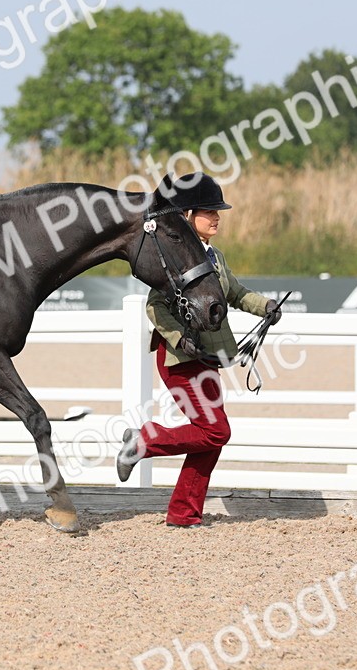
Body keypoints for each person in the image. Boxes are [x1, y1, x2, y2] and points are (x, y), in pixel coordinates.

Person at [116, 172, 281, 528]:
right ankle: (143, 441)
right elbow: (155, 306)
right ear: (188, 215)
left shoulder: (215, 256)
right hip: (179, 358)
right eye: (209, 212)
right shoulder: (176, 256)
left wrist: (265, 306)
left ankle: (183, 513)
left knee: (211, 438)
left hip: (207, 357)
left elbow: (234, 293)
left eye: (218, 211)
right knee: (216, 431)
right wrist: (178, 337)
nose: (217, 217)